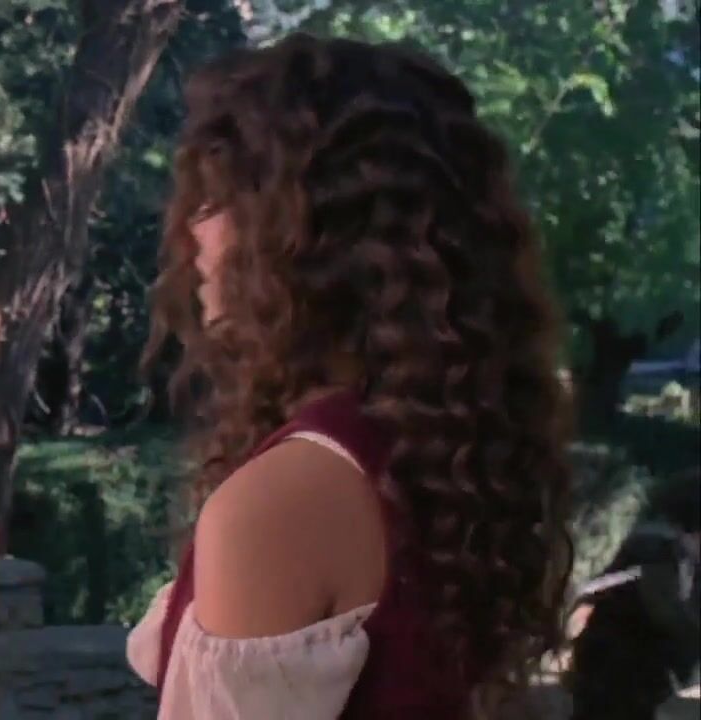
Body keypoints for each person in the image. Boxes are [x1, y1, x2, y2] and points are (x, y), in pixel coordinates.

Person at [125, 34, 574, 719]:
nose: (190, 235)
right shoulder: (440, 453)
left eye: (216, 202)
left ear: (311, 233)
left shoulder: (283, 500)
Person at [566, 467, 700, 720]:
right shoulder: (656, 551)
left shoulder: (666, 549)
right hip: (618, 671)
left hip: (629, 672)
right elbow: (671, 614)